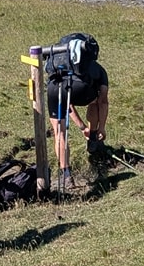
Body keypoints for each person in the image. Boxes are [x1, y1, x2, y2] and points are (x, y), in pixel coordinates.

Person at [45, 35, 109, 188]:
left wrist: (81, 127)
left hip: (54, 88)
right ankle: (93, 136)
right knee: (95, 101)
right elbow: (103, 101)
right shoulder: (96, 68)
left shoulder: (56, 63)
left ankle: (66, 175)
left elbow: (67, 102)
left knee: (59, 132)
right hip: (82, 88)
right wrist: (101, 127)